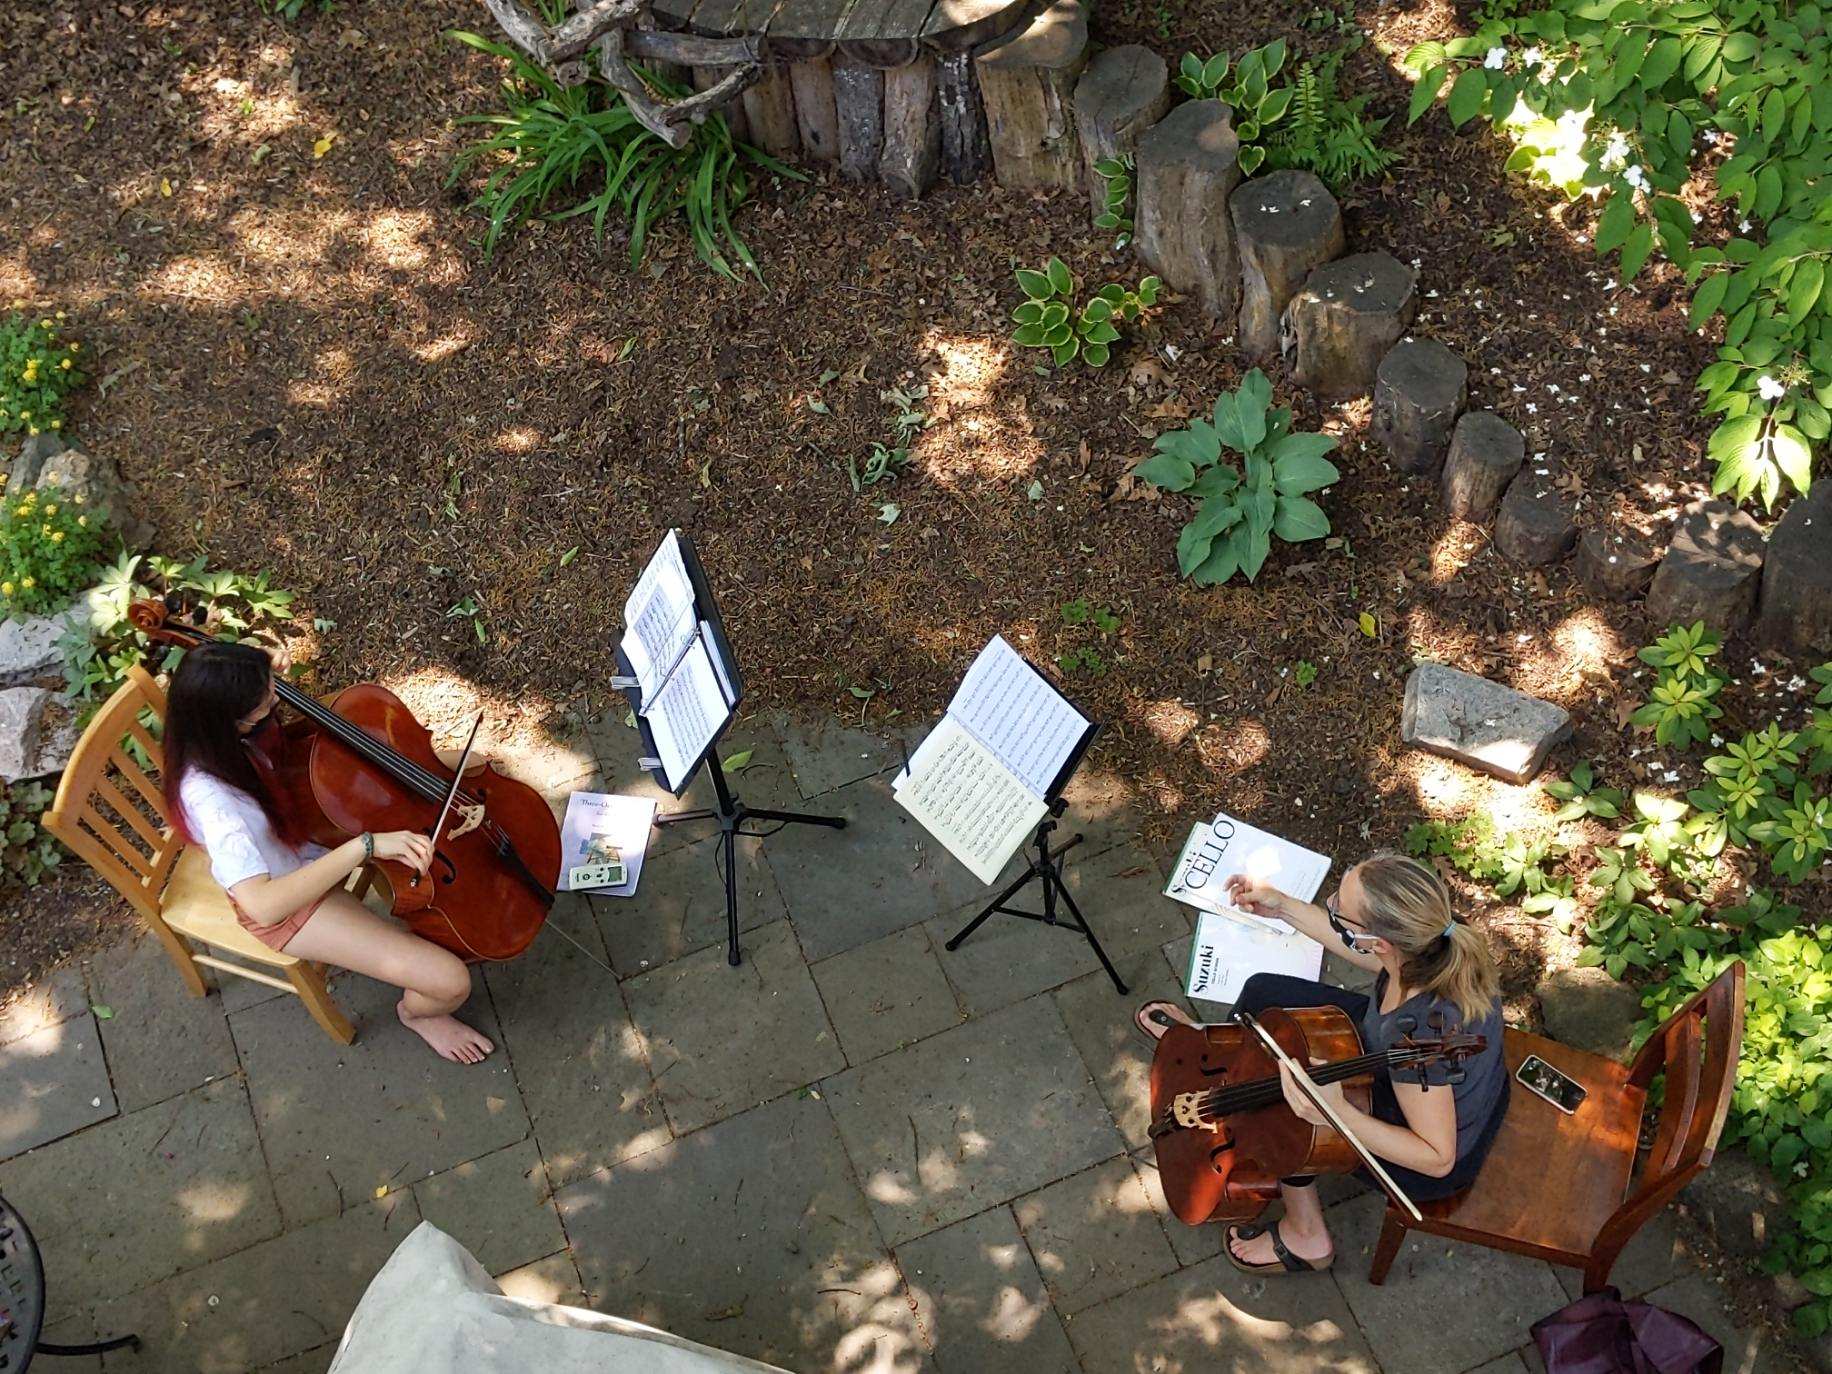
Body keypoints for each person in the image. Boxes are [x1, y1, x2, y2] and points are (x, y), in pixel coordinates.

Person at [1135, 852, 1509, 1275]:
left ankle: (1307, 1236)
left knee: (1284, 1115)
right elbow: (1372, 958)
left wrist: (1336, 1112)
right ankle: (1219, 1053)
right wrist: (1283, 906)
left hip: (1431, 1156)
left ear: (1378, 939)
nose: (1330, 907)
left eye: (1339, 911)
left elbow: (1437, 1157)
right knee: (1265, 997)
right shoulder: (1435, 937)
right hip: (1442, 1077)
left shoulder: (1413, 1031)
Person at [162, 640, 495, 1064]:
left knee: (476, 764)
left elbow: (236, 664)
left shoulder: (215, 722)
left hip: (307, 834)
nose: (277, 700)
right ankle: (418, 1016)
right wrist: (366, 846)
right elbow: (263, 906)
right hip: (287, 897)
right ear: (231, 722)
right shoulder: (215, 803)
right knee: (449, 982)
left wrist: (264, 659)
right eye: (265, 703)